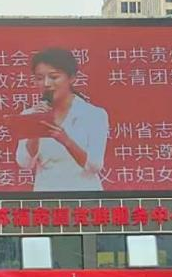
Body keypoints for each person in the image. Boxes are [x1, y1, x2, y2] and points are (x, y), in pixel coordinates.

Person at [14, 46, 110, 192]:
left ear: (72, 78)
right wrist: (35, 128)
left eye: (54, 77)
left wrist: (66, 141)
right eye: (39, 78)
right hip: (46, 194)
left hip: (85, 194)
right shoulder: (29, 114)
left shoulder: (93, 114)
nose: (46, 84)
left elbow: (95, 166)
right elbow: (24, 163)